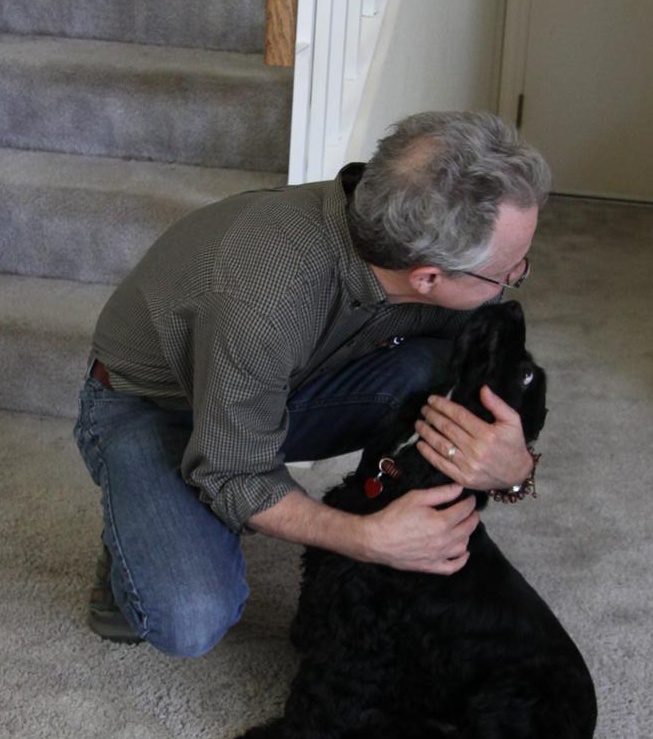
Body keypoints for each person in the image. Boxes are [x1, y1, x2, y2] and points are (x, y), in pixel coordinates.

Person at [74, 110, 551, 656]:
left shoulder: (400, 241)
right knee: (191, 618)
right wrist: (367, 538)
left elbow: (502, 365)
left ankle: (343, 501)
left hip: (282, 384)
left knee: (433, 369)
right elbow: (233, 471)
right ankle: (130, 538)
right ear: (427, 278)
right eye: (509, 271)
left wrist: (516, 468)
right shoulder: (265, 296)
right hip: (150, 405)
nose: (514, 280)